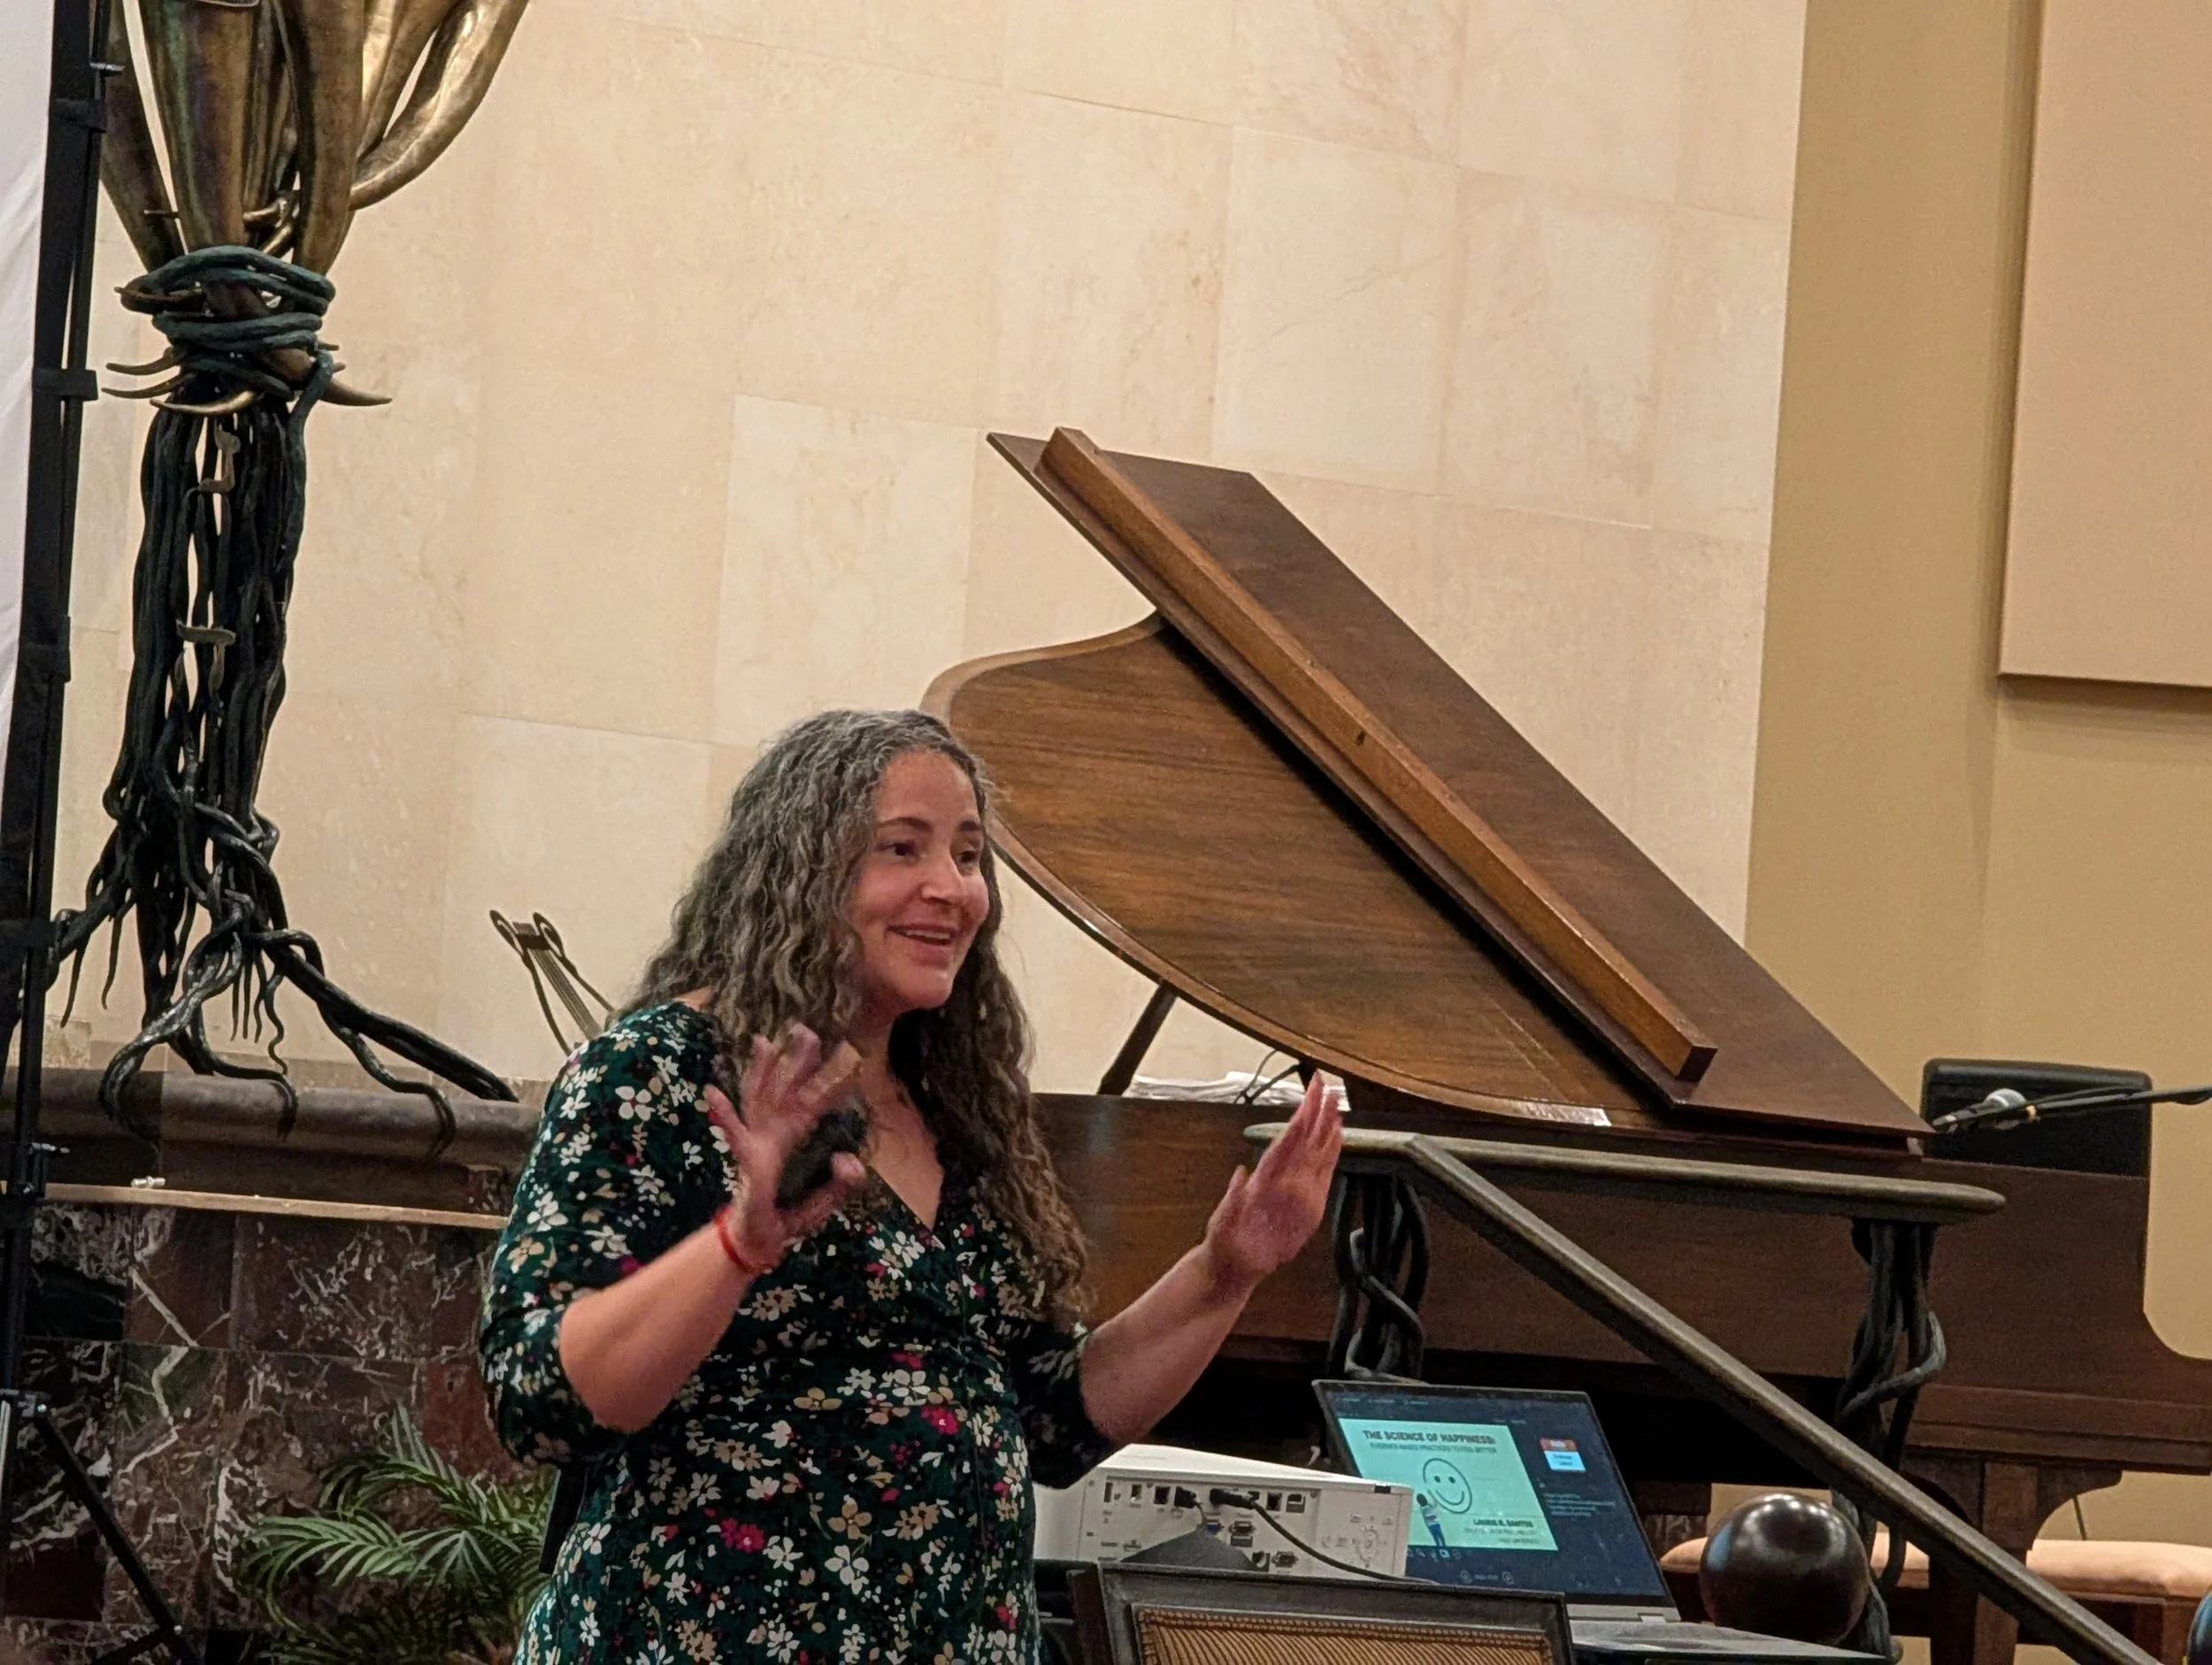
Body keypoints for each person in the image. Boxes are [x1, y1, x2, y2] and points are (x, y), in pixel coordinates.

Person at [480, 708, 1343, 1662]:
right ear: (799, 870)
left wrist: (1224, 1272)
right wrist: (734, 1248)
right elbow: (540, 1399)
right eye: (903, 848)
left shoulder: (960, 1103)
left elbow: (1047, 1421)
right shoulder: (659, 1071)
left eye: (969, 855)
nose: (953, 888)